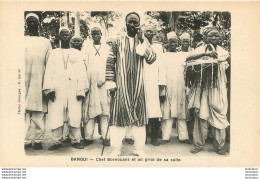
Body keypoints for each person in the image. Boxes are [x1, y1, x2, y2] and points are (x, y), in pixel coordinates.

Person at [109, 12, 157, 156]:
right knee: (118, 116)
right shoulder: (117, 40)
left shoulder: (143, 41)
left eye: (135, 22)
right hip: (121, 86)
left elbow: (151, 59)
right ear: (125, 23)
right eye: (130, 22)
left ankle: (139, 149)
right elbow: (110, 62)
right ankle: (116, 149)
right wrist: (110, 82)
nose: (132, 25)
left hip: (138, 87)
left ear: (139, 24)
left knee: (139, 118)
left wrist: (143, 40)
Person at [186, 26, 230, 155]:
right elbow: (188, 59)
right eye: (211, 36)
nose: (214, 38)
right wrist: (206, 54)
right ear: (205, 37)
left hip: (218, 88)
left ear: (221, 38)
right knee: (201, 115)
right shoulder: (200, 49)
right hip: (203, 87)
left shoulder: (224, 52)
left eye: (216, 35)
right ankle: (198, 145)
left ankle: (219, 145)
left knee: (219, 113)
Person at [43, 27, 88, 150]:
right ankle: (56, 141)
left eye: (67, 34)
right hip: (57, 89)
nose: (64, 36)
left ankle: (75, 140)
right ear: (59, 37)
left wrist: (80, 90)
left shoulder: (77, 53)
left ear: (70, 36)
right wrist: (49, 89)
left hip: (74, 90)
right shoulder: (53, 53)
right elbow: (48, 72)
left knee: (74, 114)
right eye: (62, 34)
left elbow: (82, 72)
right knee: (56, 114)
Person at [24, 13, 52, 150]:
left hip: (40, 80)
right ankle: (26, 140)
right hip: (24, 81)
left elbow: (50, 64)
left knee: (39, 114)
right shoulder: (21, 41)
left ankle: (39, 140)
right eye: (29, 22)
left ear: (39, 24)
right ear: (26, 24)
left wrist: (48, 86)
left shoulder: (45, 42)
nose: (32, 24)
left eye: (34, 21)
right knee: (24, 112)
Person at [82, 27, 111, 147]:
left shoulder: (107, 48)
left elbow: (110, 65)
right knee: (90, 112)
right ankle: (88, 137)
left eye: (97, 33)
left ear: (101, 34)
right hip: (90, 84)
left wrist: (105, 79)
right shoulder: (86, 48)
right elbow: (83, 65)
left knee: (105, 112)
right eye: (93, 34)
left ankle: (106, 136)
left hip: (104, 84)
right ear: (91, 36)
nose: (95, 36)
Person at [160, 31, 190, 145]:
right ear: (167, 43)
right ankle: (165, 137)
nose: (173, 44)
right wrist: (162, 89)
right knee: (167, 112)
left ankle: (184, 137)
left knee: (181, 111)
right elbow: (161, 73)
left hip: (180, 87)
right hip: (168, 87)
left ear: (178, 43)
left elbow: (186, 72)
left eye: (175, 42)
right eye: (171, 42)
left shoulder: (182, 55)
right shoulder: (164, 56)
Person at [143, 25, 166, 146]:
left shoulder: (158, 47)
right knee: (143, 110)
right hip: (142, 82)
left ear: (154, 34)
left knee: (154, 110)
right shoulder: (140, 45)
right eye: (146, 31)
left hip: (154, 83)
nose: (148, 33)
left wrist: (161, 84)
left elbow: (161, 65)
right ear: (143, 33)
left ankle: (154, 136)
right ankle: (143, 136)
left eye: (151, 32)